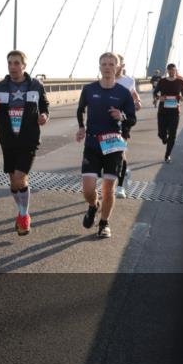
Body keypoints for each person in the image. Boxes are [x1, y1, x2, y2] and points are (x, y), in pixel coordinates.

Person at [0, 50, 50, 235]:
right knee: (14, 183)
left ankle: (23, 215)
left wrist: (44, 115)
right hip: (8, 141)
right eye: (10, 63)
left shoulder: (35, 85)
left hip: (29, 139)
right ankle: (22, 213)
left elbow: (45, 106)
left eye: (16, 63)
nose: (13, 67)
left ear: (24, 66)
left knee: (20, 177)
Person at [76, 53, 137, 239]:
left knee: (108, 189)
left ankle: (104, 223)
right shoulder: (88, 89)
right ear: (99, 66)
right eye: (104, 64)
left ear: (118, 67)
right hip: (93, 143)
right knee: (88, 189)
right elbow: (80, 110)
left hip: (113, 144)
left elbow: (132, 118)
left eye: (111, 64)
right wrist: (81, 127)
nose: (108, 67)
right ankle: (93, 206)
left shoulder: (123, 93)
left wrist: (122, 116)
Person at [114, 55, 142, 198]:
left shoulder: (129, 80)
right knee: (111, 153)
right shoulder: (104, 80)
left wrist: (137, 102)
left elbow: (133, 93)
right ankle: (124, 171)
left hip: (124, 120)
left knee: (120, 150)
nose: (113, 66)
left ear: (122, 65)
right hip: (107, 122)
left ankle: (119, 186)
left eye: (116, 63)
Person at [153, 62, 183, 163]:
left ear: (176, 70)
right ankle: (164, 138)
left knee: (173, 134)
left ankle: (167, 155)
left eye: (174, 70)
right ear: (167, 71)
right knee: (161, 133)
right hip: (163, 111)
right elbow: (155, 93)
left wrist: (181, 98)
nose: (172, 72)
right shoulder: (162, 81)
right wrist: (159, 98)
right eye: (170, 70)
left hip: (175, 112)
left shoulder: (180, 82)